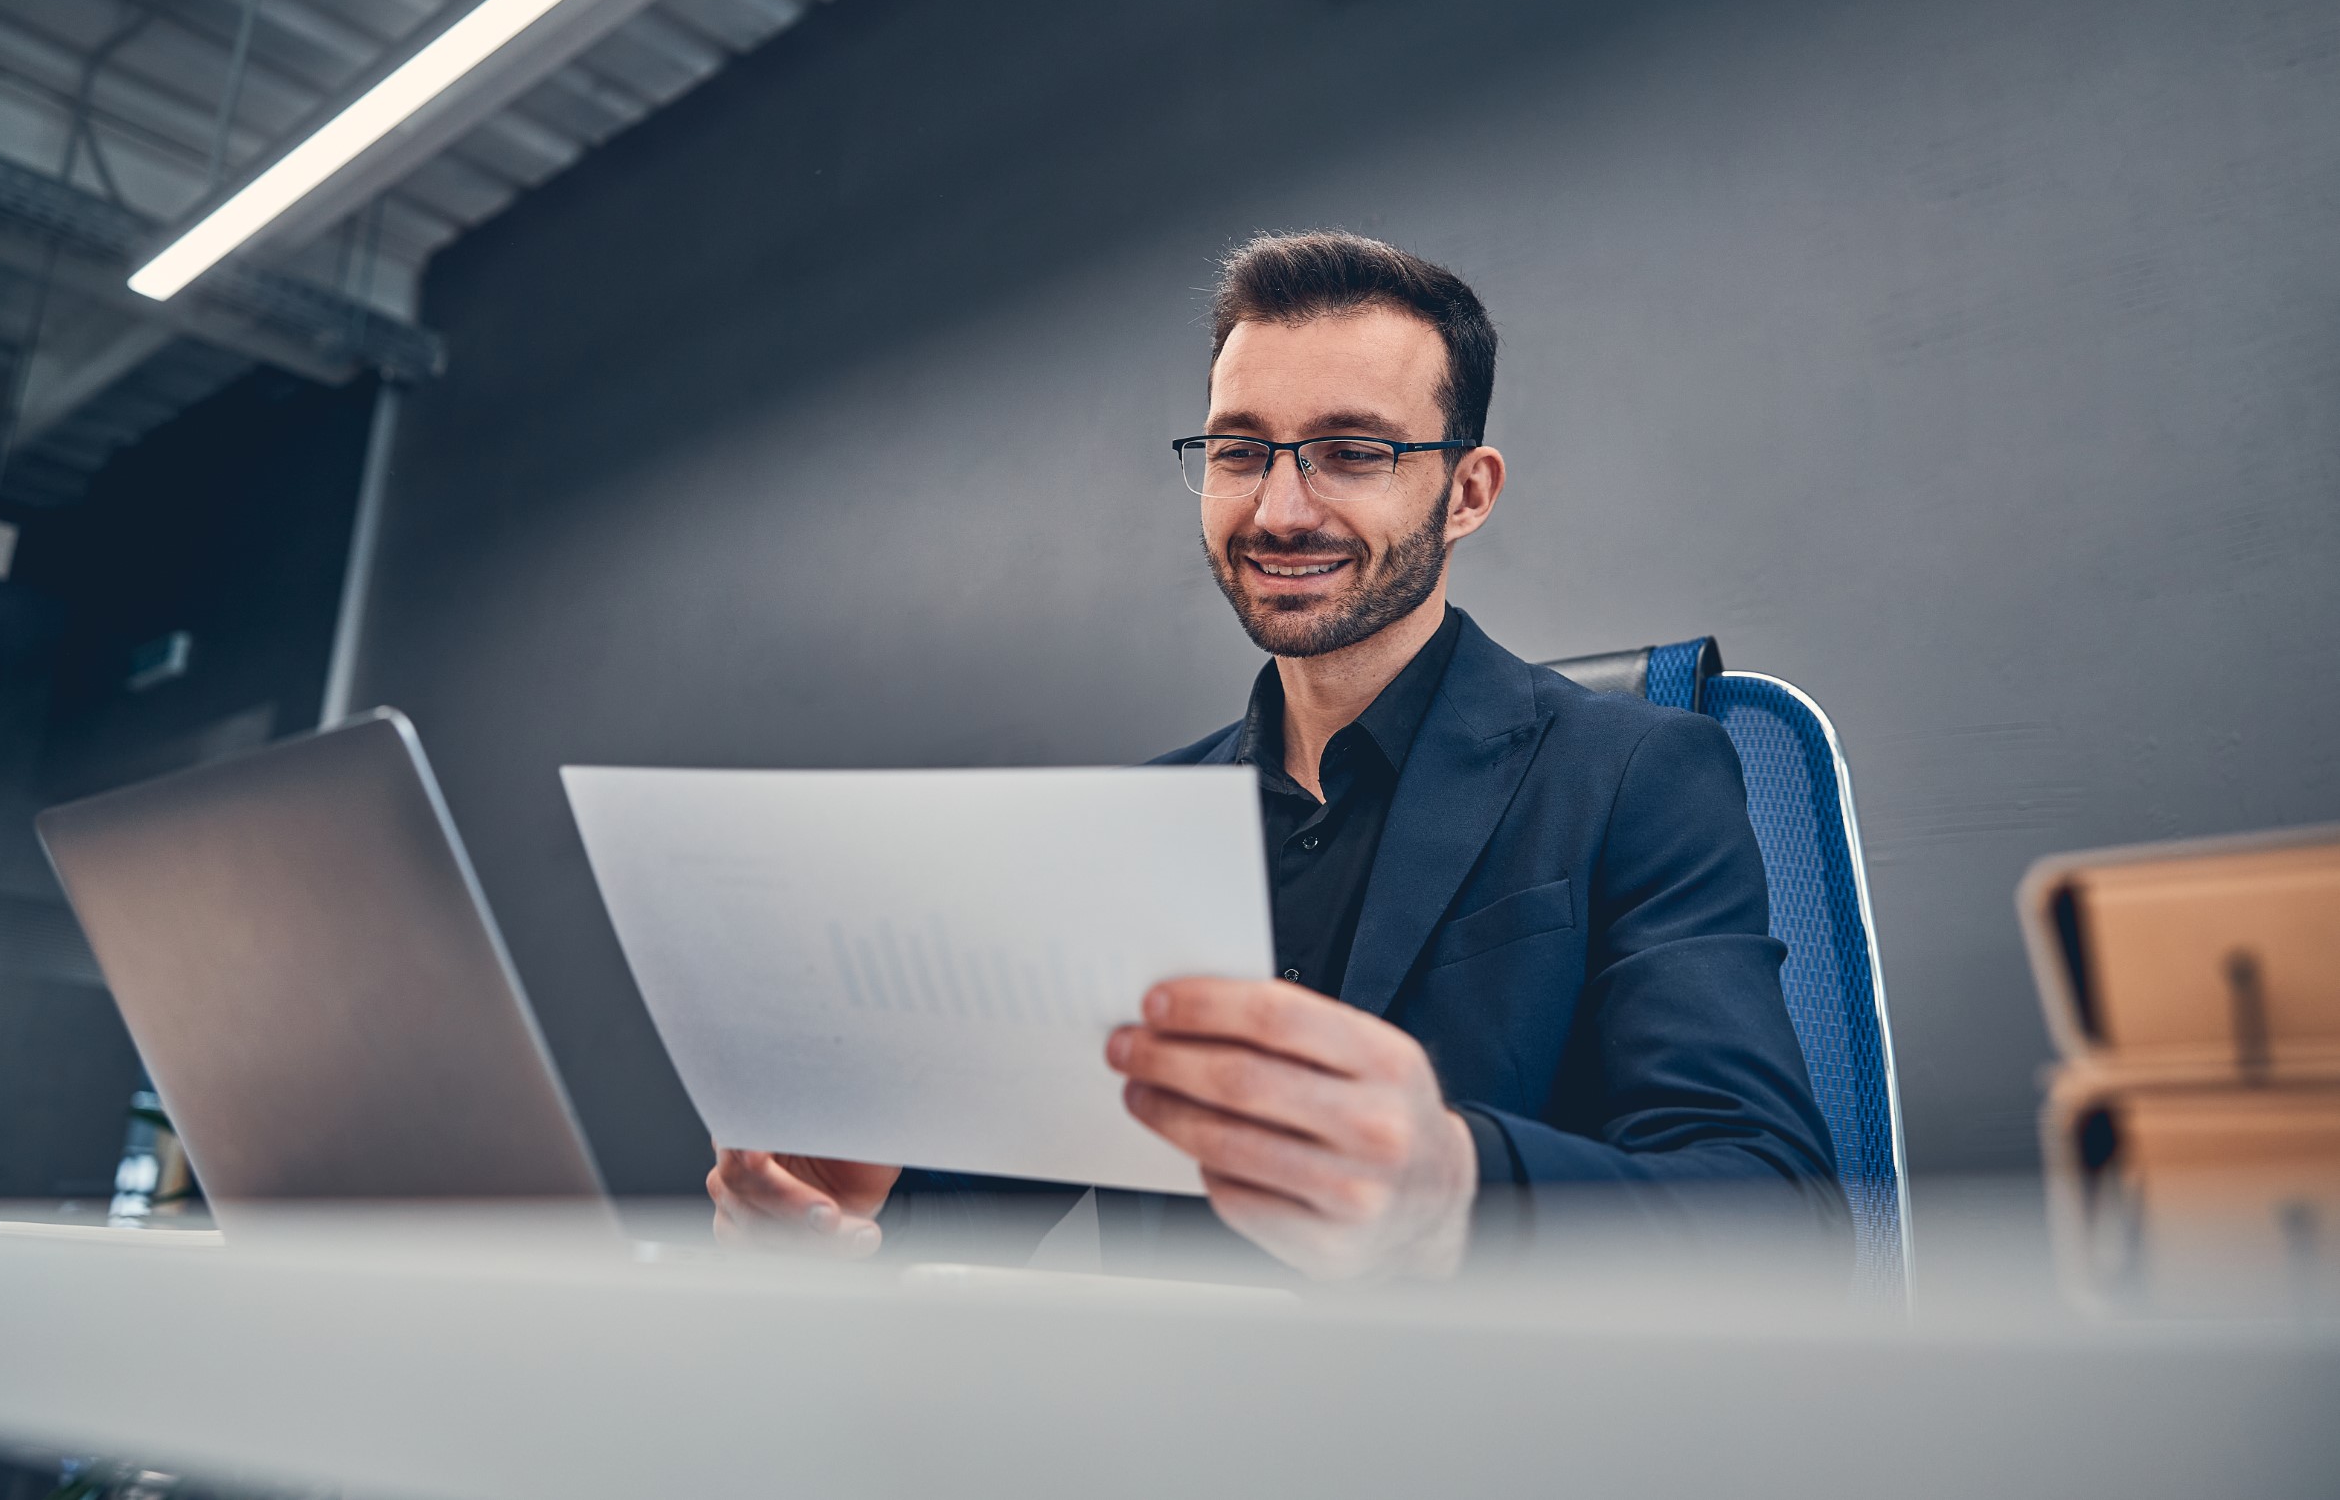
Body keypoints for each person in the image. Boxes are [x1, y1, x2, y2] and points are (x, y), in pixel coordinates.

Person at [708, 231, 1846, 1280]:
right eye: (1241, 450)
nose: (1280, 507)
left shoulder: (1639, 772)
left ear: (1466, 491)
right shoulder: (1128, 832)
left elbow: (1775, 1211)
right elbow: (961, 1203)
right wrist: (839, 1217)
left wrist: (1452, 1186)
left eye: (1351, 451)